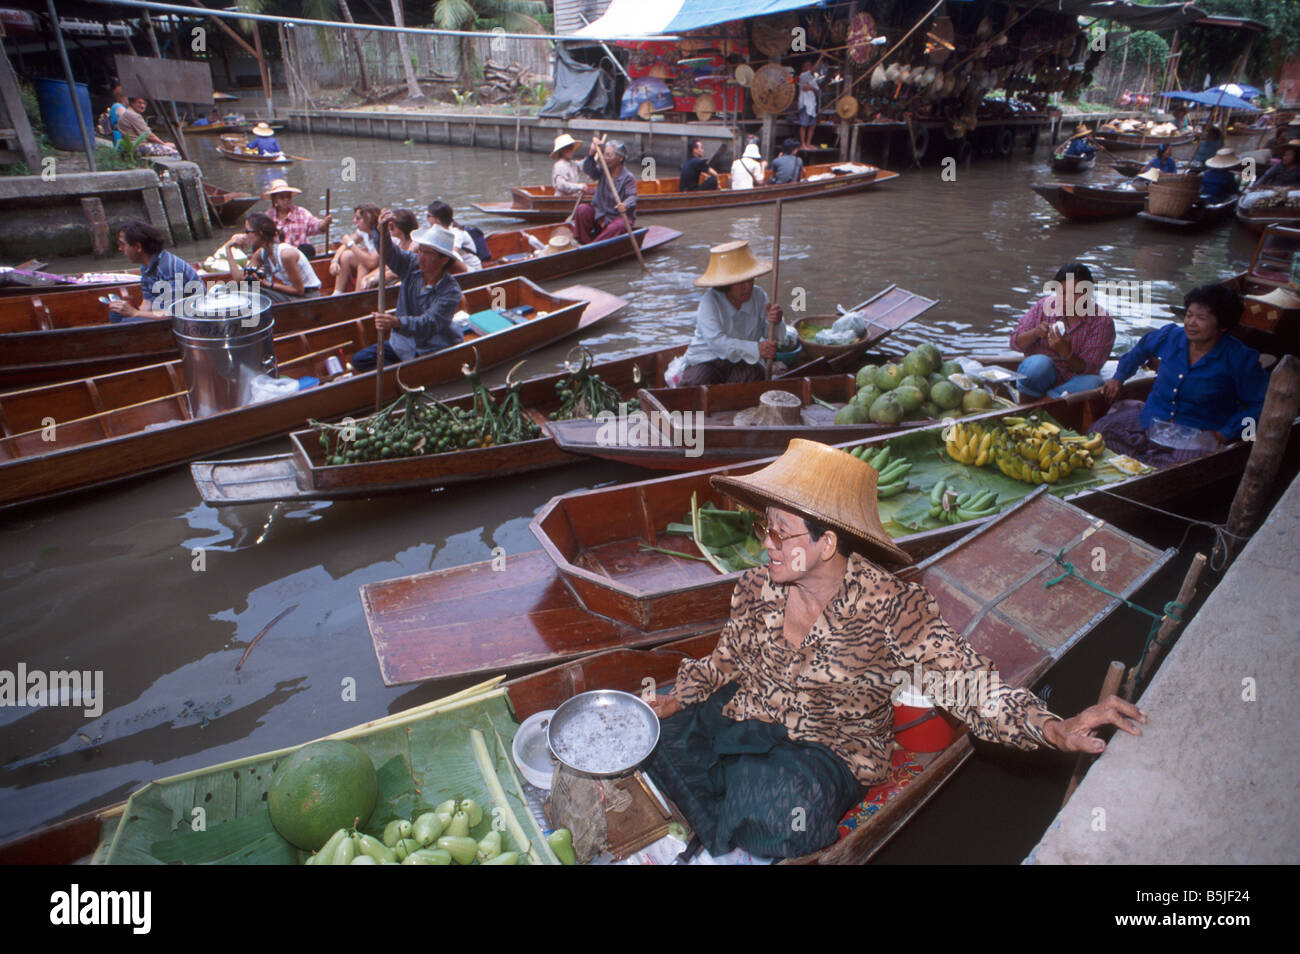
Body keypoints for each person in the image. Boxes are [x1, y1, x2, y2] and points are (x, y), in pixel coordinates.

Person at [643, 439, 1149, 858]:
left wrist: (1053, 728)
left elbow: (969, 685)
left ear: (827, 543)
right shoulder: (757, 587)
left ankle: (721, 807)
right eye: (764, 528)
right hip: (749, 714)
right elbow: (725, 660)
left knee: (783, 813)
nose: (767, 543)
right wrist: (680, 696)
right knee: (653, 730)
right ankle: (721, 804)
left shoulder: (892, 606)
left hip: (827, 752)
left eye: (780, 532)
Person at [1093, 284, 1269, 467]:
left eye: (1201, 318)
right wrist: (1118, 378)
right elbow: (1141, 348)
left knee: (1177, 468)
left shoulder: (1239, 358)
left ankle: (1144, 465)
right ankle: (1143, 462)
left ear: (1222, 326)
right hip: (1151, 419)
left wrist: (1224, 433)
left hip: (1196, 433)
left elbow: (1260, 405)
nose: (1190, 323)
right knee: (1099, 432)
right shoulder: (1171, 336)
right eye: (1189, 315)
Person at [351, 212, 467, 373]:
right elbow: (390, 254)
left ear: (444, 259)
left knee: (403, 371)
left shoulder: (451, 291)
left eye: (427, 253)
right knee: (361, 360)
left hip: (432, 348)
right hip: (402, 344)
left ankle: (405, 379)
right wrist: (382, 233)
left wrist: (397, 322)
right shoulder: (412, 265)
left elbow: (430, 323)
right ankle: (401, 380)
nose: (421, 257)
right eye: (420, 251)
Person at [680, 240, 791, 386]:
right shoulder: (710, 301)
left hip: (742, 361)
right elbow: (717, 343)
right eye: (740, 283)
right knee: (697, 382)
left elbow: (775, 336)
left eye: (750, 280)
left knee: (756, 375)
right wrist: (756, 348)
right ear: (727, 285)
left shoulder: (759, 296)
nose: (748, 287)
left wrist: (775, 322)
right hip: (707, 359)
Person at [1010, 262, 1115, 399]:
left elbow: (1089, 368)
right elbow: (1014, 343)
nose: (1067, 299)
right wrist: (1034, 333)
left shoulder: (1102, 322)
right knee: (1038, 365)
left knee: (1093, 382)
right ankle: (1031, 402)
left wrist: (1066, 352)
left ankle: (1043, 404)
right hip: (1040, 377)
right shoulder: (1044, 306)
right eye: (1062, 293)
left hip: (1073, 381)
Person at [109, 220, 202, 321]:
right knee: (116, 314)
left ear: (138, 247)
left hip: (189, 318)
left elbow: (174, 313)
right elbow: (147, 302)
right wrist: (130, 311)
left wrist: (134, 313)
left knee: (125, 321)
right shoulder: (145, 267)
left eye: (123, 244)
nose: (120, 248)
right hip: (163, 312)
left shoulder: (168, 268)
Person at [221, 212, 322, 303]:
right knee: (239, 288)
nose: (245, 235)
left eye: (247, 232)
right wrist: (228, 248)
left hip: (307, 297)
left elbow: (299, 291)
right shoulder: (261, 253)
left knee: (250, 294)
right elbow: (240, 280)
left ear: (259, 233)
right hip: (291, 295)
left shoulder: (285, 254)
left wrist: (266, 284)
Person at [574, 137, 637, 244]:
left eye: (608, 155)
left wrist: (625, 204)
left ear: (620, 158)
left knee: (619, 226)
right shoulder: (603, 170)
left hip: (617, 216)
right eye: (604, 154)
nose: (605, 158)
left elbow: (633, 196)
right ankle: (584, 242)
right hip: (600, 212)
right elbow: (589, 171)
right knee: (582, 209)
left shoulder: (628, 177)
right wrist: (591, 154)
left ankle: (595, 246)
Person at [264, 178, 332, 259]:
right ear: (275, 199)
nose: (286, 200)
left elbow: (316, 225)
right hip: (278, 258)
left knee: (307, 249)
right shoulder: (267, 217)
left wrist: (325, 222)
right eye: (282, 197)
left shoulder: (301, 212)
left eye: (288, 197)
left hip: (300, 257)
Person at [359, 208, 418, 290]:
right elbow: (387, 266)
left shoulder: (414, 245)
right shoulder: (398, 242)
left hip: (405, 280)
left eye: (392, 226)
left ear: (401, 225)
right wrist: (367, 277)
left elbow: (397, 270)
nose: (389, 228)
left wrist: (373, 280)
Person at [329, 204, 382, 295]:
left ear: (368, 220)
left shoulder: (379, 235)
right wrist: (335, 261)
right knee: (346, 255)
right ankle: (337, 293)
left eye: (358, 218)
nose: (354, 221)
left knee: (363, 264)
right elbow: (344, 245)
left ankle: (357, 297)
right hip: (373, 263)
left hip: (383, 267)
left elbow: (371, 262)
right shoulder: (363, 231)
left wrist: (351, 244)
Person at [426, 200, 482, 269]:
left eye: (428, 216)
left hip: (471, 268)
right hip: (455, 267)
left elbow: (451, 254)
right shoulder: (436, 232)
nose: (427, 218)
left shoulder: (457, 233)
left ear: (437, 219)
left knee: (447, 257)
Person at [115, 97, 179, 156]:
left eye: (144, 103)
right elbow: (149, 135)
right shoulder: (133, 115)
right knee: (174, 152)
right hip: (137, 147)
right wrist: (164, 144)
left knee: (172, 146)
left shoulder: (128, 113)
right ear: (132, 103)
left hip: (133, 146)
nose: (142, 106)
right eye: (139, 103)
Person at [796, 55, 824, 152]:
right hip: (805, 104)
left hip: (812, 105)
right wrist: (821, 57)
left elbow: (817, 90)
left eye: (809, 66)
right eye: (806, 66)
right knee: (804, 125)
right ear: (803, 68)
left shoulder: (812, 78)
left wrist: (811, 88)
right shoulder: (803, 76)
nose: (808, 68)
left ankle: (808, 143)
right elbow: (812, 70)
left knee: (812, 125)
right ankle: (803, 144)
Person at [550, 133, 587, 197]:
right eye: (568, 148)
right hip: (563, 200)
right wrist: (580, 186)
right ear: (561, 151)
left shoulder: (572, 163)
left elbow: (583, 164)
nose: (571, 150)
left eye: (571, 148)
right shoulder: (559, 165)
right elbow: (562, 185)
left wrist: (592, 154)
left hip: (574, 197)